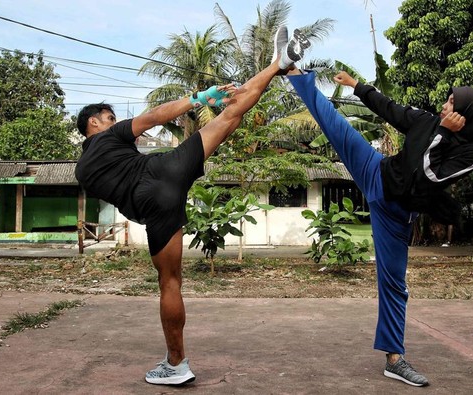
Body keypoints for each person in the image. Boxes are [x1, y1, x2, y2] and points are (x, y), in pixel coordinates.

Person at [74, 26, 309, 386]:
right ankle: (279, 64)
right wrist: (201, 98)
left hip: (152, 206)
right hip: (165, 169)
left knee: (169, 282)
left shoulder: (81, 171)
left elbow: (120, 192)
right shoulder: (111, 134)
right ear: (94, 122)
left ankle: (177, 363)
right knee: (230, 115)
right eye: (108, 117)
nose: (113, 120)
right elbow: (154, 117)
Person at [286, 67, 473, 386]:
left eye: (451, 103)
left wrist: (444, 135)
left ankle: (394, 359)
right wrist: (357, 86)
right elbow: (391, 109)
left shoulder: (471, 154)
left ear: (464, 115)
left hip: (396, 214)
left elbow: (428, 177)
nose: (444, 106)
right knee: (334, 124)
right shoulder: (427, 120)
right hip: (375, 170)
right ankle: (295, 71)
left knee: (394, 286)